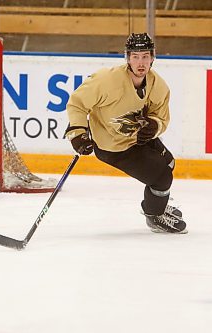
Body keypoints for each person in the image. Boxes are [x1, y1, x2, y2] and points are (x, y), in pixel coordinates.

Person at [64, 33, 187, 234]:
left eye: (145, 56)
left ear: (153, 58)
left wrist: (153, 126)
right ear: (127, 58)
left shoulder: (158, 85)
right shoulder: (106, 80)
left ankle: (156, 204)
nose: (141, 62)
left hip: (137, 138)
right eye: (136, 56)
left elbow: (162, 118)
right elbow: (77, 103)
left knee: (169, 163)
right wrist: (78, 132)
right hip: (114, 147)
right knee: (163, 177)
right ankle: (155, 215)